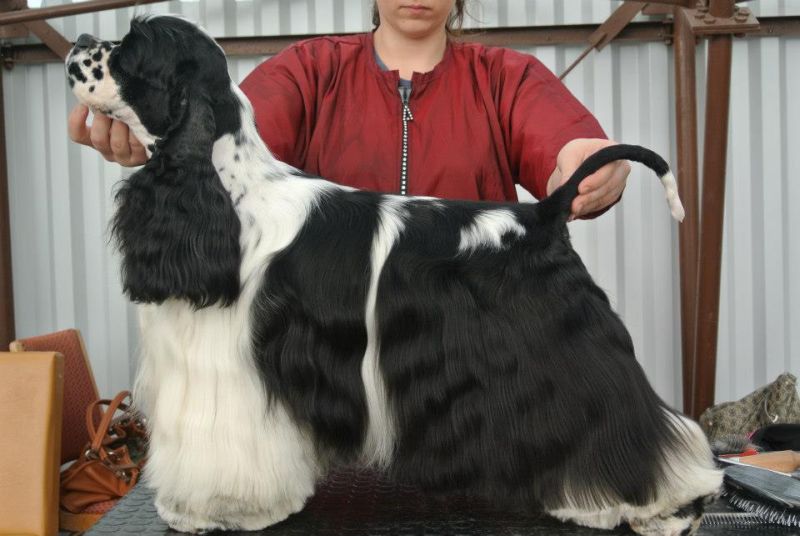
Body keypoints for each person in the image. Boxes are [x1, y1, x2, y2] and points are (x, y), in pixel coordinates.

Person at [68, 0, 630, 218]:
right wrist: (162, 136)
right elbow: (225, 139)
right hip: (334, 357)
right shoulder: (308, 70)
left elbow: (566, 144)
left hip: (476, 340)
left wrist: (589, 160)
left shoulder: (507, 77)